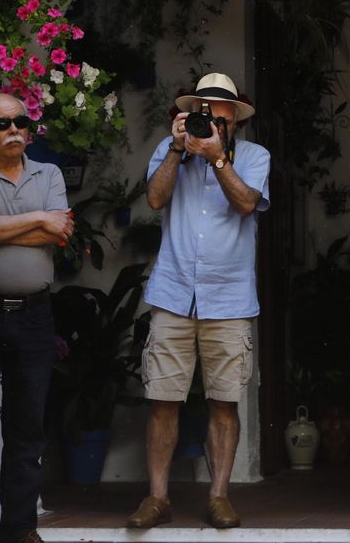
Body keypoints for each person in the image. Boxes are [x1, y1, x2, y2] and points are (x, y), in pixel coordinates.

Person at [126, 73, 269, 531]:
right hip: (173, 294)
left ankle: (220, 496)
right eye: (205, 116)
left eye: (222, 120)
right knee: (163, 399)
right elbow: (154, 197)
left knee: (224, 402)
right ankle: (157, 497)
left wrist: (218, 160)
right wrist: (177, 149)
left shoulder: (254, 156)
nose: (213, 125)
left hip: (228, 298)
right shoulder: (172, 150)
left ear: (236, 124)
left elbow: (247, 203)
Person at [0, 93, 73, 543]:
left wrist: (4, 227)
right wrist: (38, 220)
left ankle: (20, 530)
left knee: (28, 428)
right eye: (2, 124)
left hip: (34, 316)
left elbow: (61, 232)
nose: (14, 131)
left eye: (21, 122)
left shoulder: (50, 173)